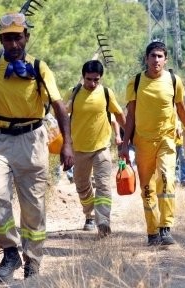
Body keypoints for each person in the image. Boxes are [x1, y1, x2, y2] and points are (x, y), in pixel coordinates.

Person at [0, 12, 74, 282]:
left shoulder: (40, 67)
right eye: (7, 38)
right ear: (0, 39)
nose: (12, 44)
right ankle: (10, 252)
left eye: (17, 38)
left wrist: (68, 144)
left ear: (26, 38)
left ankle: (33, 260)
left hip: (33, 141)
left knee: (33, 208)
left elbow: (58, 105)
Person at [119, 41, 185, 246]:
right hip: (142, 143)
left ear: (165, 59)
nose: (156, 60)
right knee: (147, 189)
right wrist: (125, 144)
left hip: (167, 139)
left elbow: (181, 109)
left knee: (168, 178)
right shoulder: (135, 82)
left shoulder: (173, 80)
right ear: (146, 58)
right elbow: (131, 115)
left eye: (160, 56)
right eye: (153, 56)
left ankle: (165, 227)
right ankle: (152, 232)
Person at [66, 60, 125, 238]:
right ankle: (89, 215)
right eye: (89, 79)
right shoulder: (74, 93)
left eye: (96, 80)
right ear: (83, 77)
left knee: (104, 185)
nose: (92, 84)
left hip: (101, 148)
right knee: (82, 185)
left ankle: (103, 221)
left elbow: (119, 115)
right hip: (79, 149)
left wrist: (129, 135)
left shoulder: (106, 93)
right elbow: (61, 115)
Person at [175, 120, 185, 185]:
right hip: (173, 144)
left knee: (183, 161)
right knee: (174, 162)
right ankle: (176, 179)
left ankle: (184, 179)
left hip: (182, 144)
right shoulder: (173, 119)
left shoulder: (184, 120)